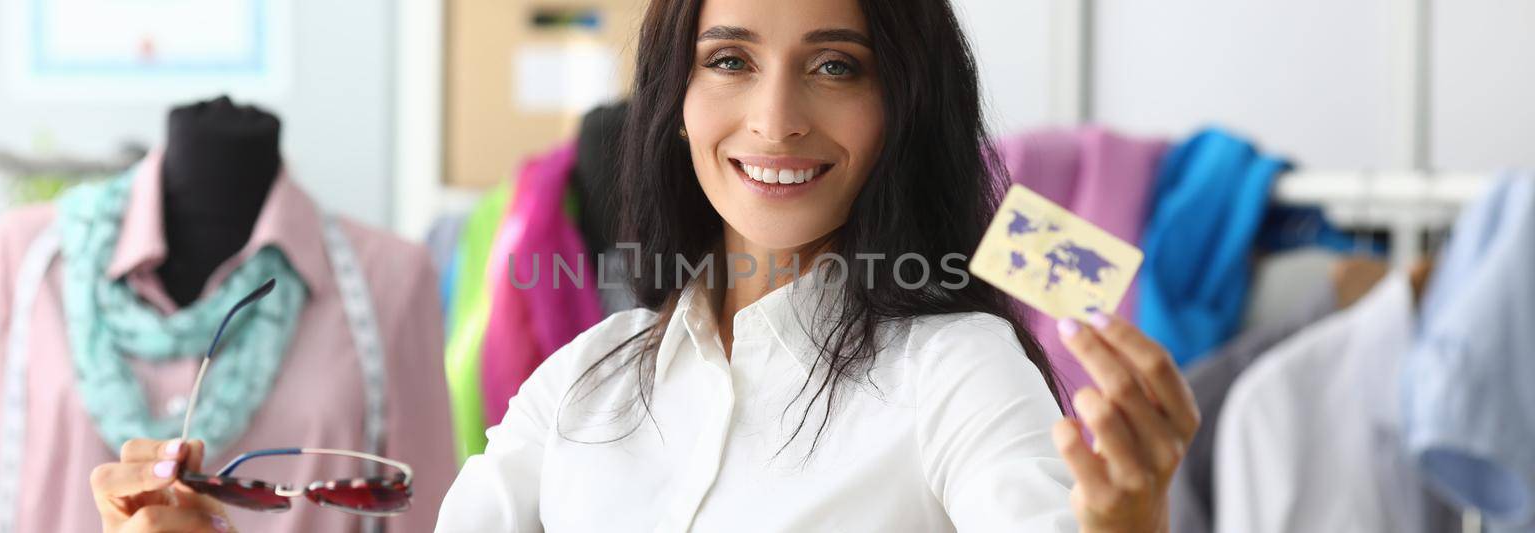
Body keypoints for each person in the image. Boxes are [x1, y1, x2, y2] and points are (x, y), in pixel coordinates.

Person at [90, 0, 1199, 531]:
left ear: (900, 108)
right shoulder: (584, 380)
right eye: (730, 59)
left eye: (834, 65)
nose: (774, 117)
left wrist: (1127, 520)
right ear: (674, 102)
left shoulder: (956, 369)